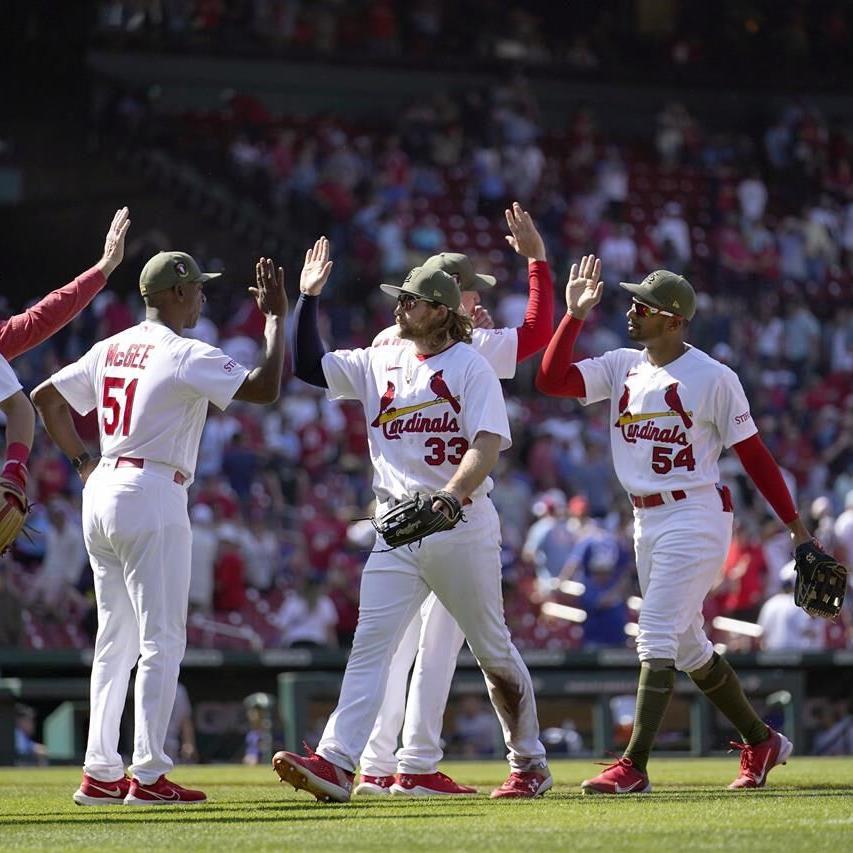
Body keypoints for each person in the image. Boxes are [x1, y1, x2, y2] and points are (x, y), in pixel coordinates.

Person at [272, 237, 550, 803]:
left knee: (492, 650)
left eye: (413, 300)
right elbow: (306, 365)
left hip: (460, 522)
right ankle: (336, 761)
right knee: (371, 645)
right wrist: (307, 298)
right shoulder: (380, 357)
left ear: (443, 310)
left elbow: (487, 444)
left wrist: (449, 496)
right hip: (398, 528)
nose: (401, 306)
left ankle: (530, 763)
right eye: (401, 298)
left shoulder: (470, 365)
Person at [536, 258, 817, 793]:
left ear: (674, 320)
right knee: (687, 648)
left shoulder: (714, 376)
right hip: (646, 519)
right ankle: (762, 740)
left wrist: (796, 528)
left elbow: (755, 455)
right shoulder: (623, 364)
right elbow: (551, 380)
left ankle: (633, 766)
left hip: (696, 511)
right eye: (633, 303)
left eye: (643, 307)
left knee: (655, 634)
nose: (631, 312)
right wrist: (571, 317)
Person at [31, 252, 287, 806]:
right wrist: (275, 320)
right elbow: (265, 388)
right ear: (174, 292)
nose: (201, 297)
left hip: (102, 487)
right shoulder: (183, 352)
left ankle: (100, 771)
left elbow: (45, 399)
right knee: (161, 640)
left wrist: (80, 462)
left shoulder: (111, 346)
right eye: (196, 289)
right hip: (152, 492)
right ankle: (147, 776)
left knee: (113, 642)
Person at [358, 202, 554, 796]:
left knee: (390, 645)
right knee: (439, 644)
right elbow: (537, 337)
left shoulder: (387, 340)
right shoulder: (468, 347)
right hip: (448, 508)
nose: (476, 300)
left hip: (395, 507)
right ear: (453, 296)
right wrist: (538, 264)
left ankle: (378, 762)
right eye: (472, 291)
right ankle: (415, 762)